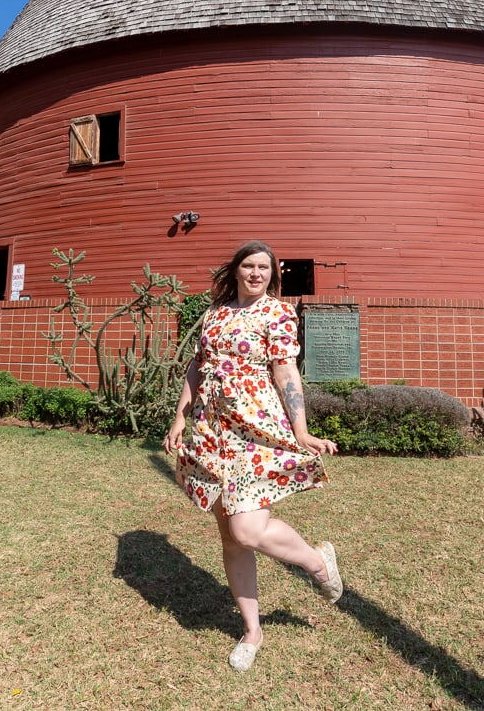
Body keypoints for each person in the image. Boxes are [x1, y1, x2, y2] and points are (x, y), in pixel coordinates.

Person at [163, 240, 343, 672]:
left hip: (254, 431)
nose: (256, 273)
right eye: (249, 265)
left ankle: (317, 562)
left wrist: (300, 429)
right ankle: (252, 632)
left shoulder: (277, 313)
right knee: (230, 536)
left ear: (272, 274)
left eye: (265, 267)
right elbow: (197, 364)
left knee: (247, 530)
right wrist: (179, 417)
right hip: (211, 431)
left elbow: (285, 370)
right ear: (237, 270)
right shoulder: (215, 313)